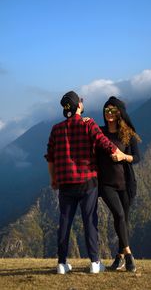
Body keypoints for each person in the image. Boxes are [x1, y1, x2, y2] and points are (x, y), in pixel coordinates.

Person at [44, 90, 126, 274]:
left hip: (65, 184)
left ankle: (61, 264)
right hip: (88, 182)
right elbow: (106, 144)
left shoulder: (56, 129)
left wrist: (54, 179)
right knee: (90, 221)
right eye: (80, 101)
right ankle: (95, 263)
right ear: (79, 105)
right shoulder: (88, 125)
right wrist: (122, 155)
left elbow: (50, 158)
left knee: (65, 222)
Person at [96, 96, 141, 272]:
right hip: (106, 184)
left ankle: (119, 257)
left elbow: (137, 158)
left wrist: (123, 156)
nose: (109, 113)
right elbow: (86, 133)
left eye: (113, 110)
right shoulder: (99, 132)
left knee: (123, 219)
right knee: (119, 215)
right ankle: (129, 254)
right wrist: (81, 119)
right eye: (107, 110)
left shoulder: (128, 134)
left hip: (127, 184)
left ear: (119, 113)